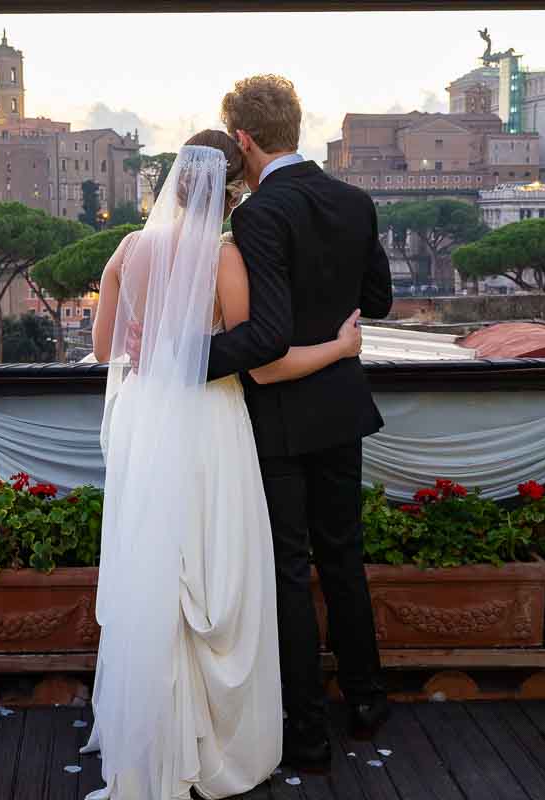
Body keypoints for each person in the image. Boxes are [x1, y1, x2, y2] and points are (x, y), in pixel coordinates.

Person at [82, 131, 364, 800]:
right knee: (218, 567)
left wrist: (156, 347)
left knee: (158, 564)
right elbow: (261, 360)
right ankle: (217, 739)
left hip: (146, 420)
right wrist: (339, 345)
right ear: (231, 191)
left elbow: (102, 351)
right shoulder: (224, 258)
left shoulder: (128, 249)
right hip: (211, 422)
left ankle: (152, 740)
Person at [205, 75, 394, 772]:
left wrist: (176, 359)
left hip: (282, 416)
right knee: (342, 557)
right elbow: (378, 299)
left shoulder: (259, 215)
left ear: (243, 139)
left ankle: (307, 734)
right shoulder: (353, 199)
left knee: (288, 572)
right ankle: (368, 700)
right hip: (343, 405)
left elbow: (265, 339)